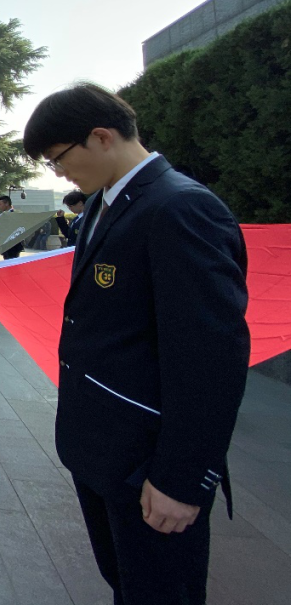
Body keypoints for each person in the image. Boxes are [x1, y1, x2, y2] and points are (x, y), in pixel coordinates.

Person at [23, 83, 250, 605]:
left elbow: (210, 358)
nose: (59, 174)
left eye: (59, 160)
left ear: (100, 137)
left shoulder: (180, 209)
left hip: (148, 467)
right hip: (103, 451)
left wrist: (181, 479)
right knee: (125, 582)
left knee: (159, 591)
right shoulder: (109, 203)